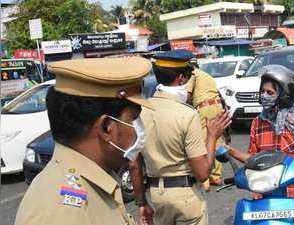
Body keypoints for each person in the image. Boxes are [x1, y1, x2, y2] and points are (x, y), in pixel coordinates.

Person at [14, 57, 153, 225]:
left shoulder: (92, 181)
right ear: (106, 127)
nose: (140, 130)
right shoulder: (64, 214)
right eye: (134, 119)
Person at [131, 51, 231, 225]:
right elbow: (202, 173)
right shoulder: (187, 114)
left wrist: (142, 203)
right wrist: (212, 136)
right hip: (185, 197)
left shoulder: (141, 112)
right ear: (181, 78)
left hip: (157, 196)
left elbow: (134, 165)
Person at [226, 65, 294, 198]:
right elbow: (253, 159)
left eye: (270, 93)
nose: (264, 96)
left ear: (284, 96)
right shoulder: (258, 123)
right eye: (263, 92)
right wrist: (228, 150)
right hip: (268, 194)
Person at [184, 52, 228, 187]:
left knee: (203, 141)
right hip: (217, 106)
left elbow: (186, 96)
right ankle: (216, 175)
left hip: (205, 109)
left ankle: (205, 177)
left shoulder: (192, 75)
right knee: (216, 139)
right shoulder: (206, 75)